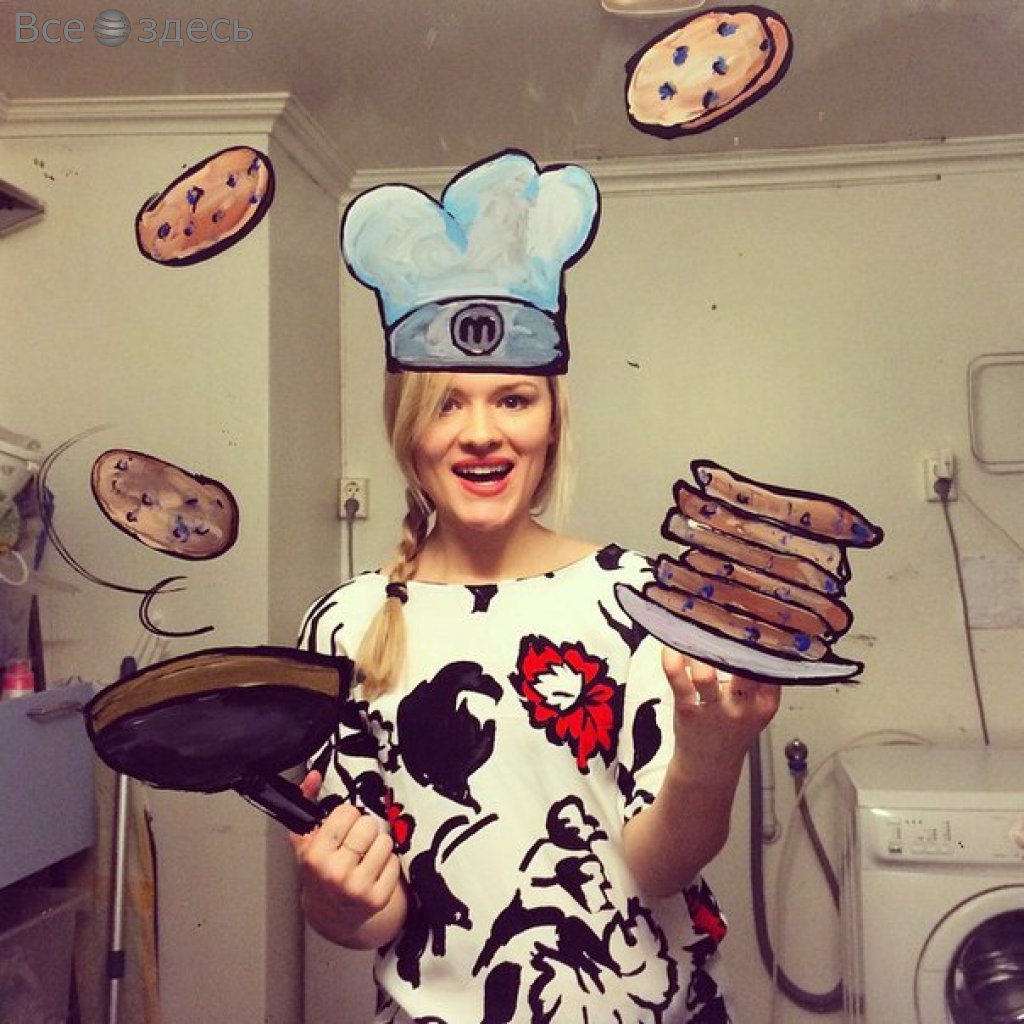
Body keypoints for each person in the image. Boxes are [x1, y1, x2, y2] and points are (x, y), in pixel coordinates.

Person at [291, 367, 780, 1023]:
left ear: (552, 424)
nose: (481, 433)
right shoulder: (344, 626)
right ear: (407, 431)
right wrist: (335, 902)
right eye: (445, 405)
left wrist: (711, 759)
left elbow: (659, 870)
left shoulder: (638, 600)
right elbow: (380, 913)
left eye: (514, 400)